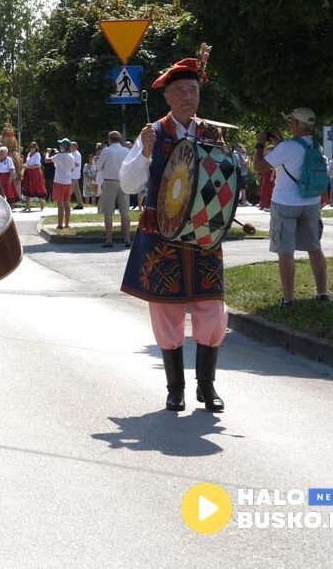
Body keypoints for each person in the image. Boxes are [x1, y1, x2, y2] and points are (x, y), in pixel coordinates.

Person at [120, 57, 228, 413]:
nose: (188, 96)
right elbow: (129, 183)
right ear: (167, 96)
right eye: (180, 91)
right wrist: (146, 153)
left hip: (202, 232)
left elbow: (224, 180)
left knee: (211, 306)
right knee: (166, 309)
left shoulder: (212, 133)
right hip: (161, 233)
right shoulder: (153, 132)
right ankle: (175, 388)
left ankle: (207, 386)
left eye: (193, 90)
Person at [254, 107, 329, 307]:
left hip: (285, 203)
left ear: (297, 124)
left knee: (285, 251)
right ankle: (323, 292)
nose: (288, 123)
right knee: (314, 248)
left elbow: (259, 167)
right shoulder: (316, 145)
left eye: (290, 120)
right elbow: (297, 160)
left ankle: (288, 299)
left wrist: (260, 145)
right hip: (311, 202)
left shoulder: (286, 148)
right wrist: (280, 144)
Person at [95, 131, 131, 247]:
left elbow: (98, 167)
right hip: (123, 182)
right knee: (125, 212)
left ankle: (109, 239)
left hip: (110, 181)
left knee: (108, 212)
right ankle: (127, 239)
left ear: (110, 139)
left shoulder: (107, 151)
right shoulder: (126, 151)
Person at [51, 140, 75, 229]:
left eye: (61, 145)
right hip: (68, 182)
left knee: (60, 204)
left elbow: (46, 160)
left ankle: (60, 224)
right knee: (67, 204)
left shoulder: (59, 156)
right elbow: (72, 169)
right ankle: (67, 224)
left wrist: (47, 153)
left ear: (64, 147)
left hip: (59, 182)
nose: (59, 147)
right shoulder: (72, 157)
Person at [21, 141, 47, 211]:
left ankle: (42, 205)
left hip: (35, 174)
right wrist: (24, 165)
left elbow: (37, 165)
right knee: (27, 189)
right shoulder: (29, 154)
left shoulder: (37, 154)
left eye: (33, 147)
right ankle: (27, 206)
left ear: (36, 148)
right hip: (28, 174)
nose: (32, 148)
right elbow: (27, 163)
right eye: (31, 147)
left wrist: (28, 167)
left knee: (37, 189)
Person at [70, 141, 84, 210]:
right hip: (73, 175)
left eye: (71, 146)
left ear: (75, 147)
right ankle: (80, 204)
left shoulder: (77, 154)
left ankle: (65, 203)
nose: (70, 147)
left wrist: (69, 164)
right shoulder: (73, 153)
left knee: (70, 190)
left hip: (74, 175)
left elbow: (77, 164)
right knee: (76, 190)